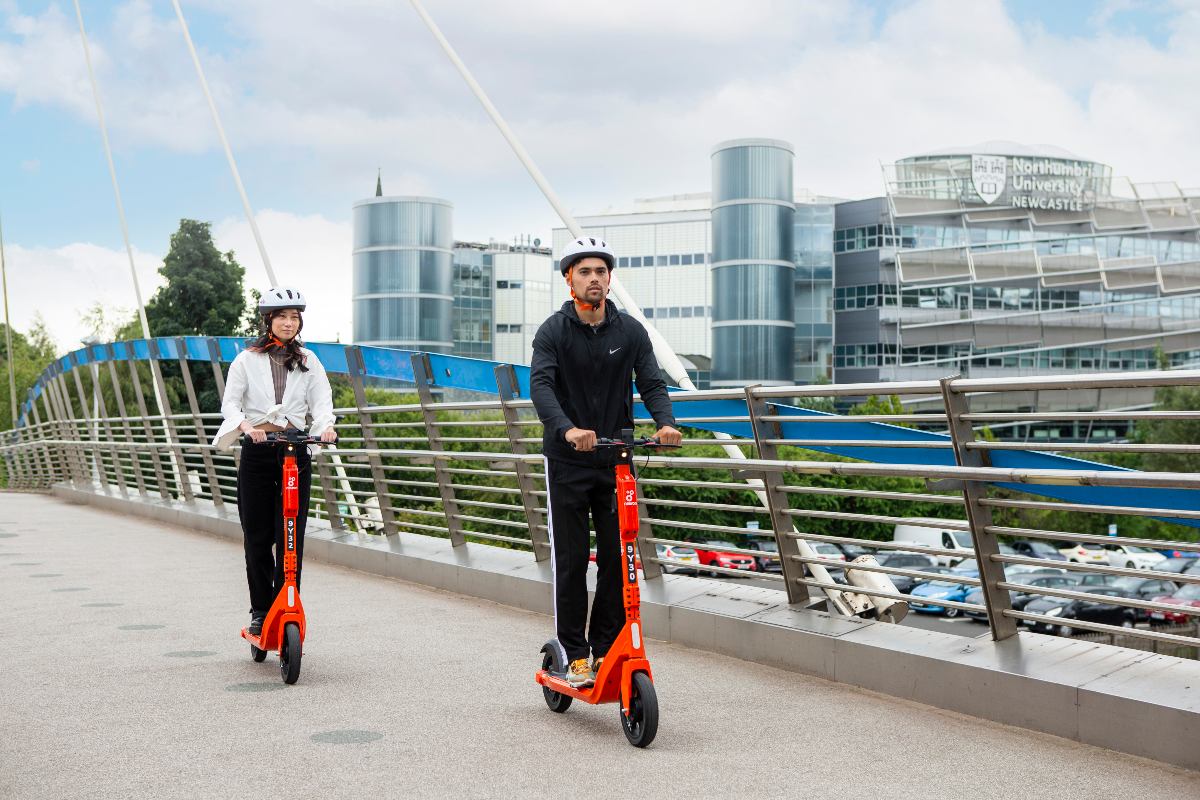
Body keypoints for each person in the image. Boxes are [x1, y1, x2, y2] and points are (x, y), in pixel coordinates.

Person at [530, 236, 682, 688]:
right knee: (574, 561)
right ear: (569, 279)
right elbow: (541, 387)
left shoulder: (630, 331)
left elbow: (651, 382)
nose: (594, 279)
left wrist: (666, 422)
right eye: (585, 272)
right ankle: (574, 654)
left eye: (600, 272)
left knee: (621, 559)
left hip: (617, 459)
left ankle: (603, 646)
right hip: (568, 461)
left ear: (609, 278)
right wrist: (567, 429)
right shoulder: (552, 332)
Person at [212, 287, 336, 635]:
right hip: (258, 449)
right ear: (268, 320)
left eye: (294, 317)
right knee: (257, 534)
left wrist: (325, 427)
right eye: (281, 316)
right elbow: (230, 403)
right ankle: (260, 609)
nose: (288, 322)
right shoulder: (246, 359)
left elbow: (323, 401)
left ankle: (287, 603)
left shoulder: (309, 360)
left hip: (294, 451)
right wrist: (245, 425)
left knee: (291, 535)